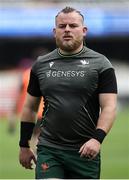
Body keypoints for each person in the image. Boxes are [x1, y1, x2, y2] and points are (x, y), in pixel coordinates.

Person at [19, 7, 117, 179]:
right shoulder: (40, 64)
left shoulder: (101, 64)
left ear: (84, 30)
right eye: (62, 26)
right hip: (49, 149)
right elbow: (29, 108)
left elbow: (109, 107)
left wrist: (97, 139)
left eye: (73, 25)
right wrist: (24, 145)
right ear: (54, 31)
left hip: (85, 150)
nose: (67, 30)